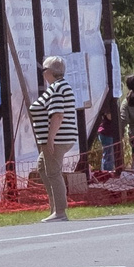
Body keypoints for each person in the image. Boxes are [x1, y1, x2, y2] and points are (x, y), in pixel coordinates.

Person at [31, 55, 79, 223]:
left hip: (57, 139)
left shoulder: (58, 89)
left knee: (53, 172)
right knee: (42, 168)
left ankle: (60, 211)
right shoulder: (58, 87)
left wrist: (50, 139)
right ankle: (55, 207)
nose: (43, 73)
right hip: (57, 138)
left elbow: (57, 115)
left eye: (44, 70)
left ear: (50, 72)